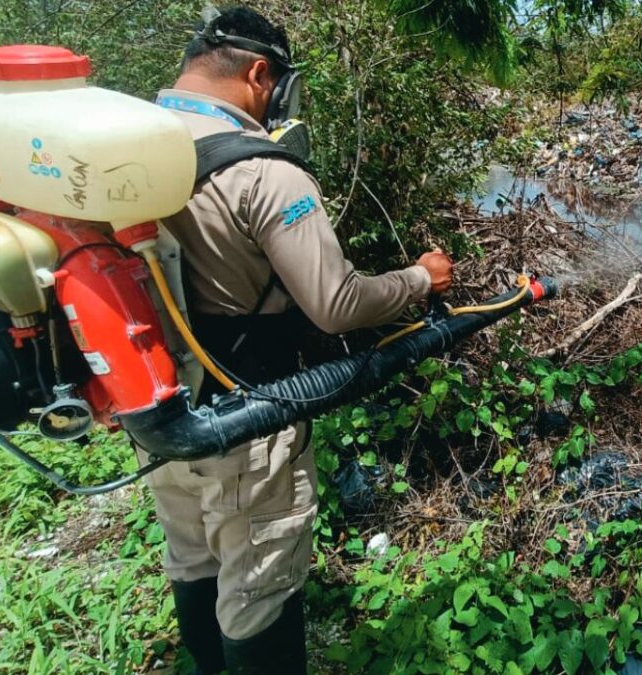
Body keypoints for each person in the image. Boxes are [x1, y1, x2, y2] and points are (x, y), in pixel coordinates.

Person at [144, 6, 452, 674]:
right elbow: (336, 304)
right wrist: (418, 279)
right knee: (259, 586)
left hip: (159, 411)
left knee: (192, 555)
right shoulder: (263, 172)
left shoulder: (126, 146)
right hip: (247, 418)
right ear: (260, 74)